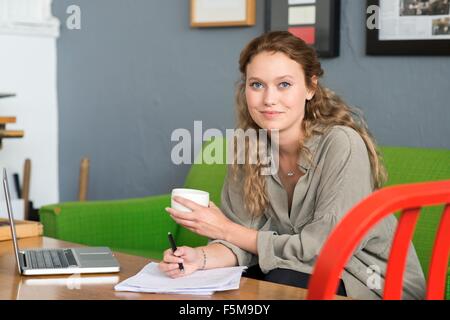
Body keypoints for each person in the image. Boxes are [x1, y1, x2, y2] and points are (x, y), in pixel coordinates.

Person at [159, 31, 426, 300]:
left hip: (373, 283)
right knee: (238, 284)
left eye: (284, 84)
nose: (269, 99)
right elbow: (238, 242)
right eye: (257, 85)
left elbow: (325, 250)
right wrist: (199, 258)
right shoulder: (247, 149)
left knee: (276, 283)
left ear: (310, 88)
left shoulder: (342, 144)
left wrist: (226, 229)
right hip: (295, 271)